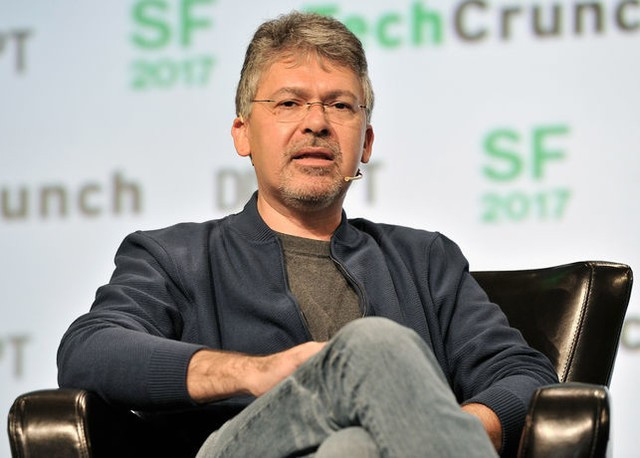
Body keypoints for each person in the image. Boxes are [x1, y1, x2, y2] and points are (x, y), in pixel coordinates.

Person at [57, 11, 558, 458]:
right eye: (289, 103)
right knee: (371, 346)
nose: (316, 123)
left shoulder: (425, 259)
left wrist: (429, 425)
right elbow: (89, 350)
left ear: (366, 142)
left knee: (355, 447)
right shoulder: (174, 256)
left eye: (340, 106)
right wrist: (255, 372)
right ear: (243, 133)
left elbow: (523, 375)